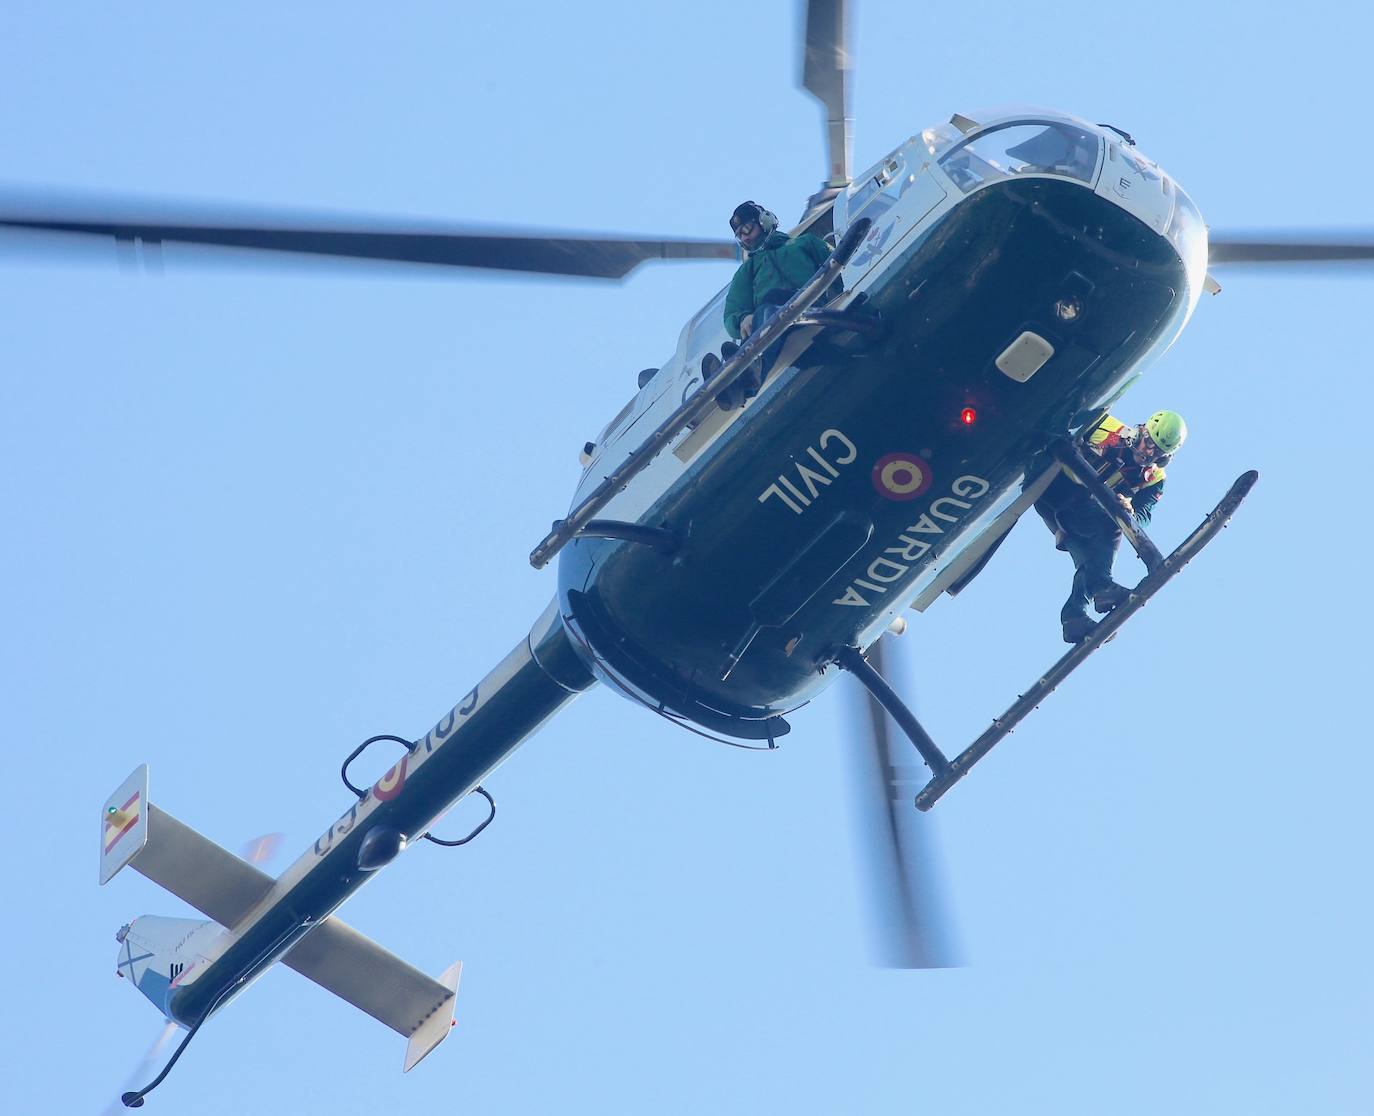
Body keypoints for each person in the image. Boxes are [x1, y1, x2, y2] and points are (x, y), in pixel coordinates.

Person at [1034, 411, 1188, 643]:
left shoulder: (1154, 479)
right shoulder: (1105, 426)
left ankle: (1073, 617)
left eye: (1157, 452)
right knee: (1111, 525)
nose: (1149, 453)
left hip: (1077, 515)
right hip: (1056, 487)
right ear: (1142, 431)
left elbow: (1144, 514)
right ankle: (1102, 588)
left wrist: (1131, 509)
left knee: (1093, 560)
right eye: (1148, 443)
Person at [717, 201, 832, 405]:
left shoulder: (804, 243)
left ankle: (751, 366)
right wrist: (743, 318)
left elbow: (836, 265)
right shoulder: (747, 271)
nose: (744, 237)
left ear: (764, 221)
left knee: (773, 299)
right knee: (768, 308)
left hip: (814, 305)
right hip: (777, 323)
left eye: (747, 229)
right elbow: (732, 313)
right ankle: (743, 374)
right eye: (739, 235)